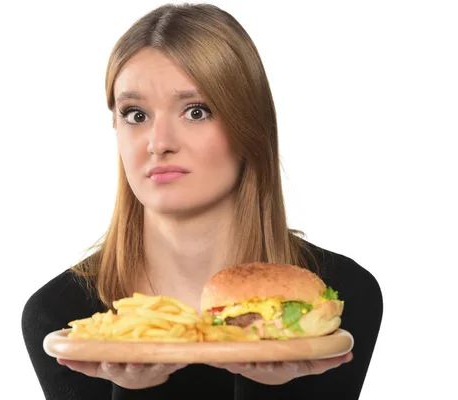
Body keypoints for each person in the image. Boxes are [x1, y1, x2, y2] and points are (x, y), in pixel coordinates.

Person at [22, 3, 383, 399]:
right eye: (135, 115)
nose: (159, 143)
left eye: (196, 111)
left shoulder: (342, 294)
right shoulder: (62, 314)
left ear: (249, 127)